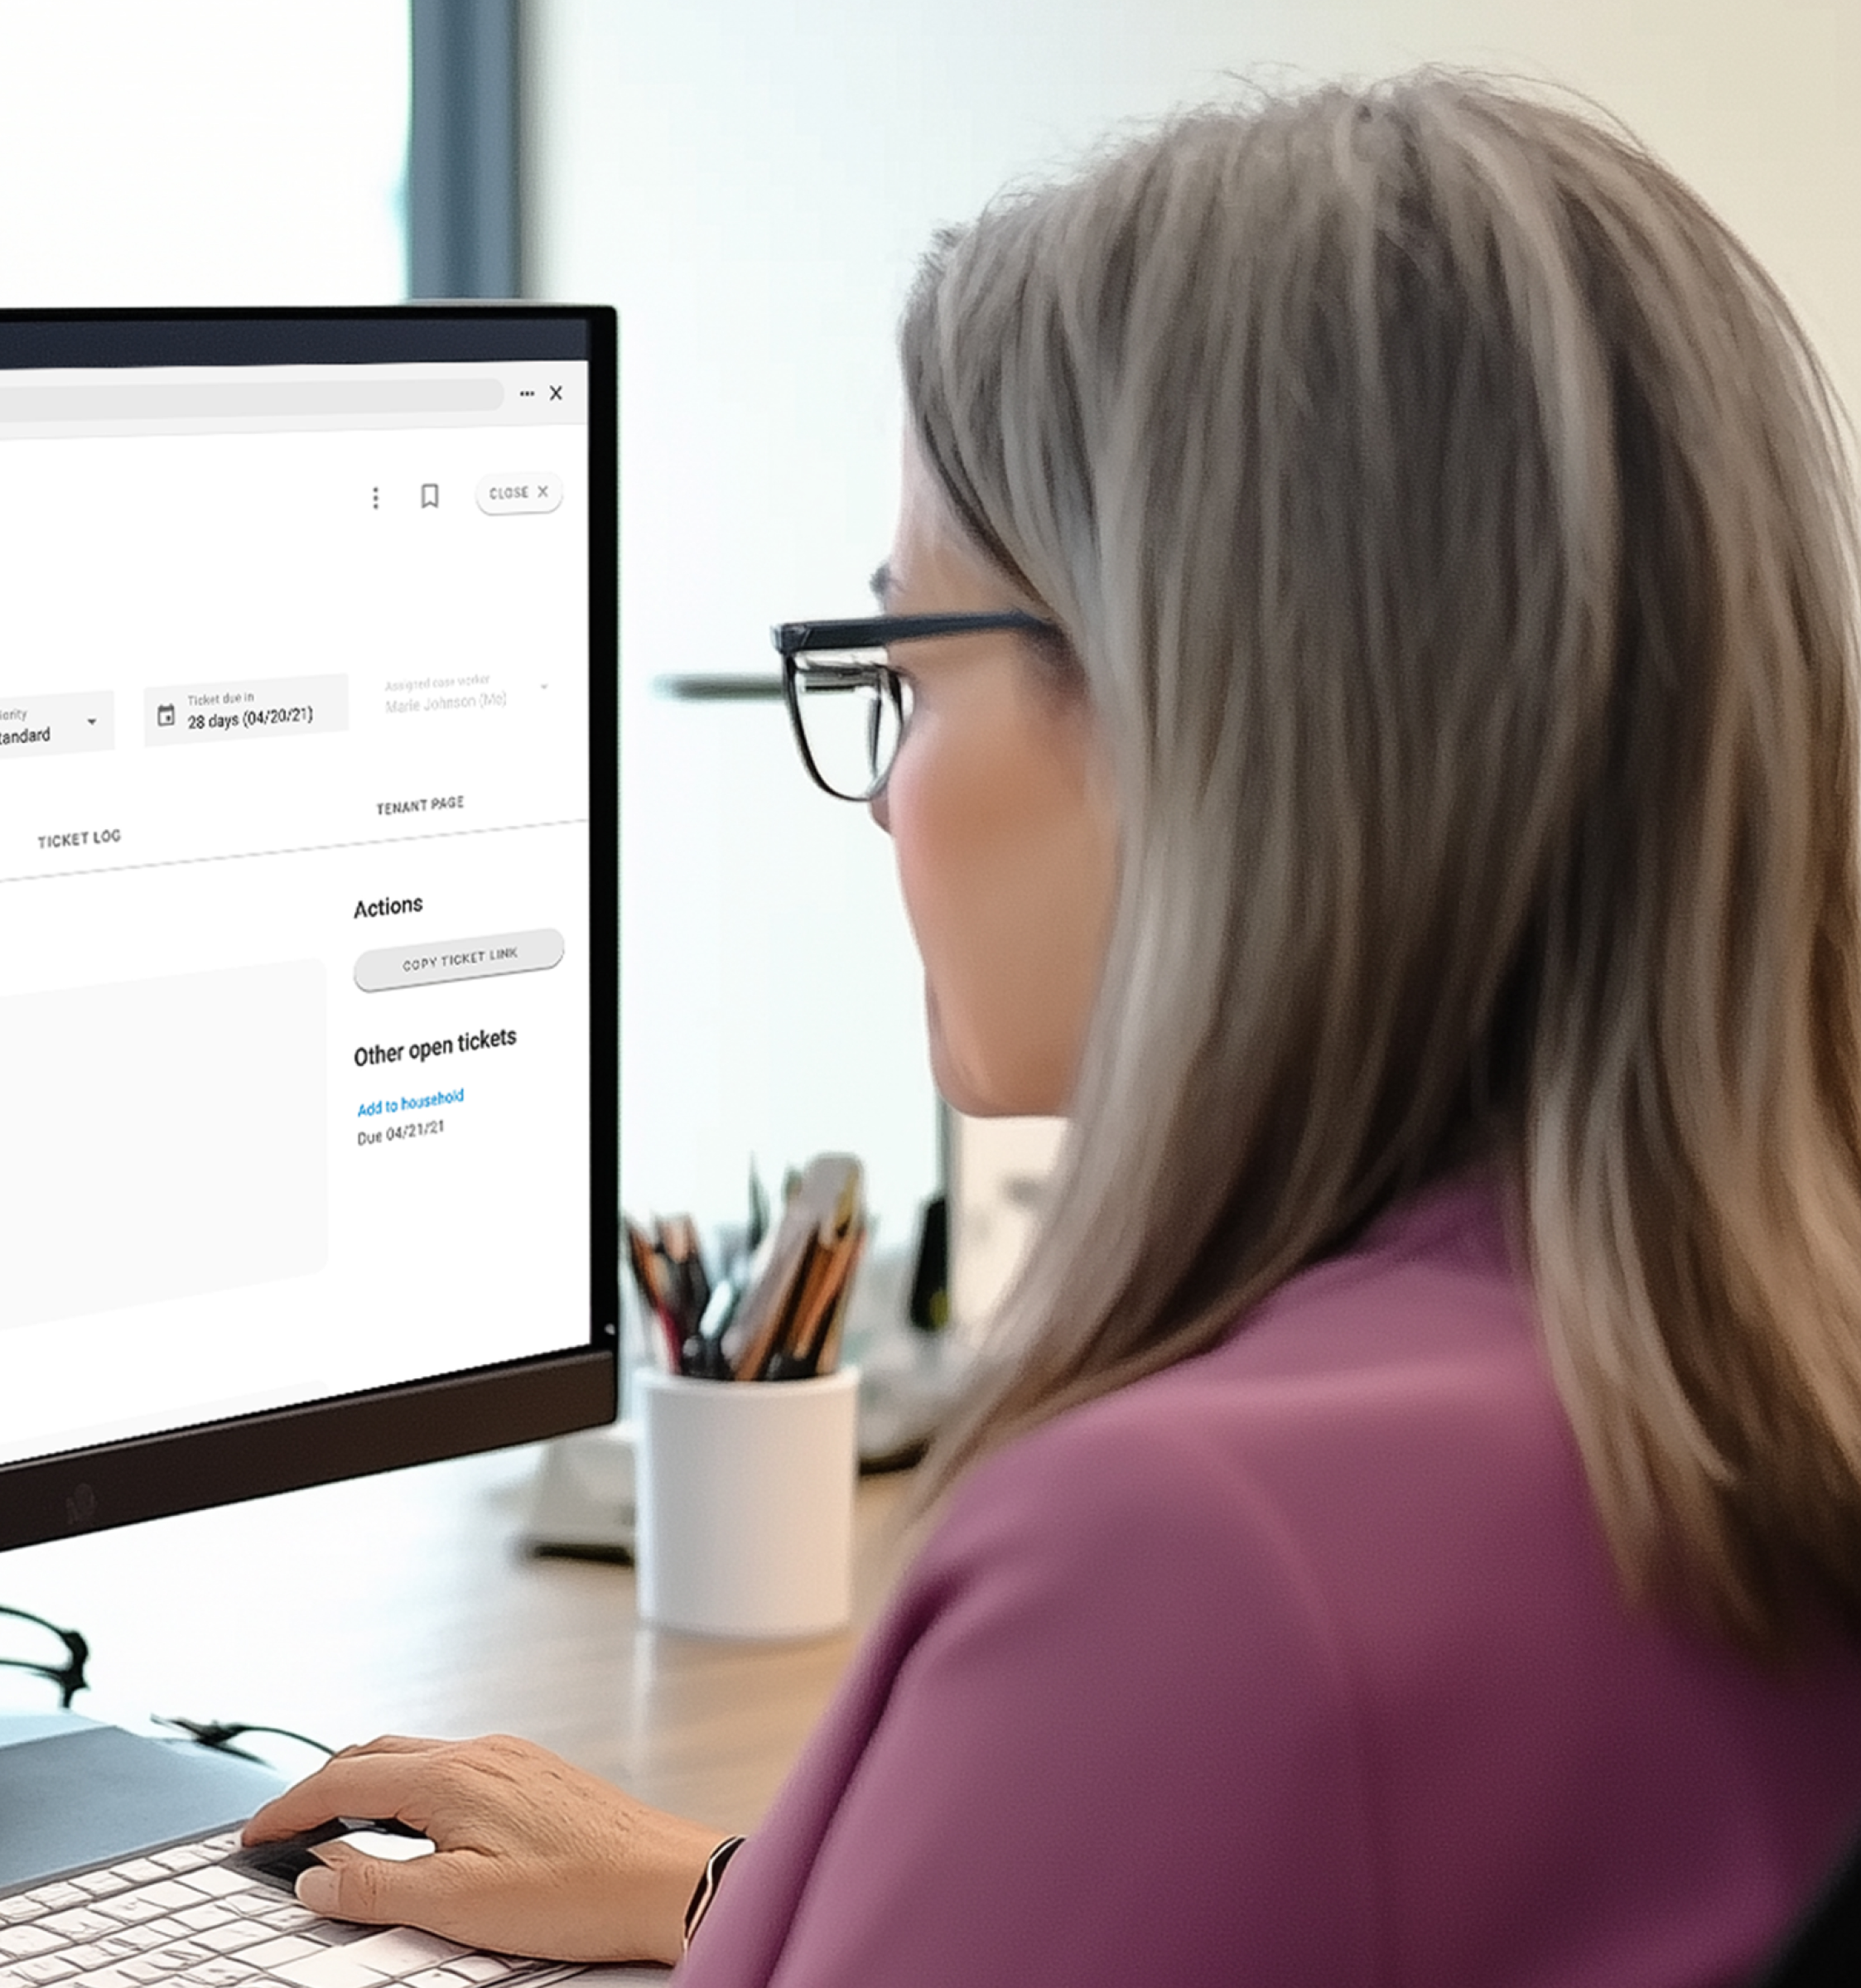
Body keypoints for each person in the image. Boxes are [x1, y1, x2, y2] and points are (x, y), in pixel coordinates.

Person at [242, 73, 1861, 1984]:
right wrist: (758, 1888)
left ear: (1206, 718)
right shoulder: (1732, 1381)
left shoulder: (1195, 1567)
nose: (878, 795)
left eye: (900, 666)